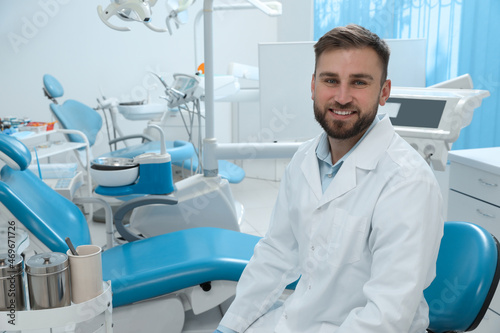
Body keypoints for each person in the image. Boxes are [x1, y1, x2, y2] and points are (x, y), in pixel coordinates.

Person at [215, 24, 444, 333]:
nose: (342, 96)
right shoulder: (305, 159)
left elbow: (387, 315)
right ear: (313, 86)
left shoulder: (407, 181)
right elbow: (276, 254)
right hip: (298, 320)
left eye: (359, 82)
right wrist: (231, 326)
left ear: (384, 92)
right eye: (330, 80)